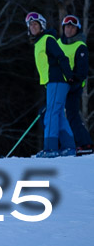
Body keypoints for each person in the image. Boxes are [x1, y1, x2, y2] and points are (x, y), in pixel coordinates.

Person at [25, 12, 76, 157]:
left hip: (57, 80)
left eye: (35, 24)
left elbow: (62, 57)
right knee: (58, 114)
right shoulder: (39, 42)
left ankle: (50, 148)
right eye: (31, 25)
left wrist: (69, 77)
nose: (33, 27)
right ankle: (69, 147)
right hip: (52, 82)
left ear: (42, 25)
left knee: (51, 113)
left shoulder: (48, 39)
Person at [57, 14, 93, 156]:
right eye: (66, 27)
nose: (69, 30)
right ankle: (61, 144)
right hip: (58, 86)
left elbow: (82, 72)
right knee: (52, 114)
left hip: (73, 87)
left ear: (77, 29)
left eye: (72, 27)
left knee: (71, 114)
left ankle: (86, 144)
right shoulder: (59, 43)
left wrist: (73, 83)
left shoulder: (80, 46)